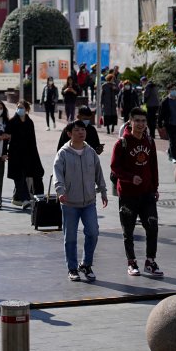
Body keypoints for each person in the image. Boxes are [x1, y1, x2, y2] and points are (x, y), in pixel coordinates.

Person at [54, 120, 108, 282]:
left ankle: (86, 264)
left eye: (83, 129)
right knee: (70, 237)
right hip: (69, 203)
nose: (81, 132)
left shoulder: (90, 152)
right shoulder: (63, 153)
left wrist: (103, 191)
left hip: (89, 202)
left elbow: (98, 173)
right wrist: (60, 191)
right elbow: (58, 175)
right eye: (76, 130)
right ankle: (72, 268)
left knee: (93, 232)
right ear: (69, 134)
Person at [112, 110, 162, 278]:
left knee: (152, 226)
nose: (141, 124)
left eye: (143, 121)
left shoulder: (149, 141)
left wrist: (155, 187)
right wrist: (130, 178)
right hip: (128, 194)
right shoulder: (122, 143)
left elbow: (153, 166)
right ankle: (131, 262)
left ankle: (150, 261)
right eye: (137, 121)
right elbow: (114, 168)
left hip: (147, 193)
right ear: (130, 122)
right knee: (129, 231)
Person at [6, 99, 45, 210]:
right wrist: (5, 153)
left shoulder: (29, 122)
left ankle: (32, 197)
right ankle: (24, 199)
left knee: (34, 174)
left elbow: (33, 140)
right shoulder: (12, 121)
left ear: (27, 109)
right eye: (18, 107)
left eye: (22, 107)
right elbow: (6, 139)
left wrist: (35, 155)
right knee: (18, 177)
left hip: (29, 153)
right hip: (15, 154)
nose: (19, 109)